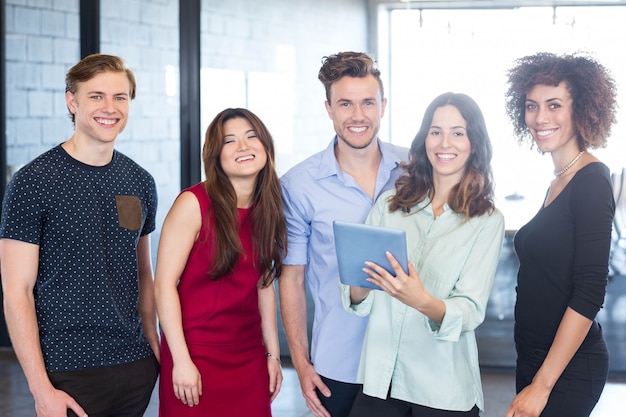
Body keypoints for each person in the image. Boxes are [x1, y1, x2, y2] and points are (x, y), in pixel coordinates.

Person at [0, 54, 159, 417]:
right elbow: (16, 292)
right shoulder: (33, 182)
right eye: (96, 96)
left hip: (135, 365)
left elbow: (143, 274)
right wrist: (41, 389)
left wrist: (154, 351)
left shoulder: (140, 181)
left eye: (120, 97)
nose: (110, 108)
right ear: (72, 101)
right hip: (67, 372)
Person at [342, 92, 505, 417]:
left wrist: (420, 299)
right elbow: (357, 298)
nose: (445, 143)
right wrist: (360, 284)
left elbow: (470, 310)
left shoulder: (487, 220)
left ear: (474, 142)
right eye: (436, 131)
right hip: (380, 380)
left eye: (458, 132)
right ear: (424, 138)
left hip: (442, 390)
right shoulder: (390, 204)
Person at [279, 51, 408, 417]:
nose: (358, 116)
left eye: (368, 102)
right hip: (340, 362)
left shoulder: (415, 168)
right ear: (329, 109)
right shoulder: (299, 185)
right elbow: (292, 277)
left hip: (409, 358)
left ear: (383, 105)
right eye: (345, 103)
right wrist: (301, 364)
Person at [503, 52, 617, 417]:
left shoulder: (592, 182)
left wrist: (542, 385)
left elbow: (589, 292)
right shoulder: (559, 181)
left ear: (580, 109)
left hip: (566, 371)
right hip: (535, 359)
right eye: (532, 106)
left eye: (554, 105)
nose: (540, 118)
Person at [155, 108, 286, 416]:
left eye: (252, 137)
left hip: (249, 355)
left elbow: (264, 284)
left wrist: (273, 354)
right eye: (230, 141)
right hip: (195, 356)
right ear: (216, 155)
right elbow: (163, 286)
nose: (244, 146)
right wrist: (181, 361)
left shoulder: (268, 207)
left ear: (266, 146)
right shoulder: (192, 204)